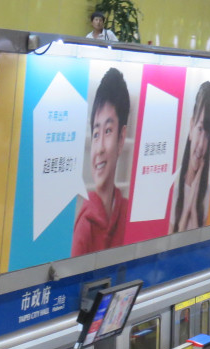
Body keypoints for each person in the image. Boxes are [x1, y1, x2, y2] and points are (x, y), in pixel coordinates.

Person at [72, 67, 130, 257]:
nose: (100, 148)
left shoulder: (127, 212)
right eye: (96, 134)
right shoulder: (85, 227)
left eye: (108, 131)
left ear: (122, 138)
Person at [172, 82, 210, 232]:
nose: (202, 144)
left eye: (207, 134)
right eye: (200, 129)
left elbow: (201, 244)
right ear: (191, 127)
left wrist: (195, 212)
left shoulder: (209, 195)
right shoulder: (174, 192)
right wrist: (189, 203)